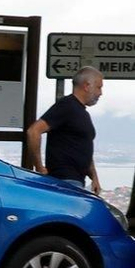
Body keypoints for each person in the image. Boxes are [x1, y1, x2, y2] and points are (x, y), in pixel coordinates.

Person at [26, 67, 104, 195]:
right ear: (87, 86)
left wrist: (94, 177)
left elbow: (84, 146)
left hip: (77, 180)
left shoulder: (82, 112)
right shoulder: (66, 106)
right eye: (98, 87)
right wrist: (39, 167)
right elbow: (33, 131)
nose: (100, 93)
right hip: (64, 180)